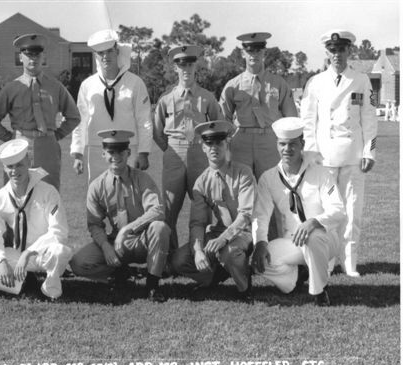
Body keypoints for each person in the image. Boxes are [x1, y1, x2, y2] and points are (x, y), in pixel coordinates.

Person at [300, 29, 378, 277]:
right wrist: (310, 151)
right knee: (326, 210)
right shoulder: (316, 82)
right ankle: (329, 259)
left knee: (353, 210)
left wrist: (370, 152)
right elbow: (308, 120)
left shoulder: (361, 80)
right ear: (327, 53)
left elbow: (369, 118)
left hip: (353, 155)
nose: (337, 55)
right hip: (325, 157)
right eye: (333, 51)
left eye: (341, 50)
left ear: (349, 51)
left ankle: (350, 262)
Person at [251, 117, 345, 306]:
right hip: (292, 241)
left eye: (292, 144)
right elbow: (261, 215)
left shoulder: (321, 173)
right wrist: (260, 242)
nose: (287, 149)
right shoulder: (269, 178)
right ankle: (296, 278)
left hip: (325, 238)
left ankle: (320, 291)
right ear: (277, 145)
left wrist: (313, 222)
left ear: (302, 144)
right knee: (260, 261)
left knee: (312, 237)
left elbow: (338, 210)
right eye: (282, 144)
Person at [70, 130, 170, 303]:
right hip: (116, 243)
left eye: (120, 151)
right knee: (79, 263)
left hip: (143, 240)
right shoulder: (97, 186)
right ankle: (120, 273)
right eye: (111, 152)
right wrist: (105, 246)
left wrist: (128, 229)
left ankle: (152, 284)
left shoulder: (142, 178)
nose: (115, 156)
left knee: (160, 228)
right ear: (103, 154)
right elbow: (94, 224)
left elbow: (158, 210)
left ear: (128, 153)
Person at [0, 139, 73, 300]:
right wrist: (1, 261)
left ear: (28, 162)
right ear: (4, 168)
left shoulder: (48, 192)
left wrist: (29, 253)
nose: (14, 171)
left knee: (60, 251)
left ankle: (49, 290)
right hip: (16, 256)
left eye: (19, 165)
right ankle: (24, 283)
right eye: (10, 167)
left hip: (43, 253)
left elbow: (59, 231)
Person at [168, 120, 255, 302]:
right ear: (203, 148)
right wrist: (198, 250)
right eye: (209, 143)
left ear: (227, 144)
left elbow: (246, 215)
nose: (214, 147)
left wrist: (224, 238)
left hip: (243, 232)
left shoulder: (243, 173)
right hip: (218, 232)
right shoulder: (201, 182)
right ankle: (214, 277)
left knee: (229, 252)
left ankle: (244, 287)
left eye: (219, 142)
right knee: (180, 259)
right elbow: (197, 222)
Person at [0, 33, 80, 190]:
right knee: (17, 195)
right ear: (20, 57)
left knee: (49, 194)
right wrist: (11, 137)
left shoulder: (55, 87)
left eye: (37, 54)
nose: (33, 59)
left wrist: (56, 135)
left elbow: (74, 116)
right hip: (19, 148)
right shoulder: (11, 88)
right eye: (28, 55)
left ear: (43, 57)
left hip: (47, 147)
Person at [153, 45, 223, 249]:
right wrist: (170, 148)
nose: (186, 69)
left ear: (196, 66)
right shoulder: (166, 99)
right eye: (181, 65)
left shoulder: (207, 97)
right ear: (175, 68)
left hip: (200, 153)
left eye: (190, 64)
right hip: (174, 153)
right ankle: (169, 256)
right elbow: (158, 132)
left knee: (204, 205)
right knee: (169, 207)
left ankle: (204, 253)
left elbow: (217, 125)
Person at [70, 29, 153, 182]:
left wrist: (143, 152)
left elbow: (144, 120)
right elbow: (80, 121)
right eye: (101, 53)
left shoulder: (135, 83)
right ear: (96, 56)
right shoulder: (87, 85)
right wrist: (78, 153)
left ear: (117, 51)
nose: (105, 57)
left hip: (128, 149)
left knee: (130, 197)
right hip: (97, 150)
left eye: (109, 51)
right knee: (99, 198)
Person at [219, 32, 298, 180]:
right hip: (241, 141)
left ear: (264, 53)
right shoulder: (233, 85)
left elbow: (291, 119)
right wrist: (227, 145)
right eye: (249, 50)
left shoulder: (278, 83)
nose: (253, 54)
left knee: (274, 188)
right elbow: (223, 119)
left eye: (258, 50)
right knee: (241, 187)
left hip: (270, 140)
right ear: (243, 53)